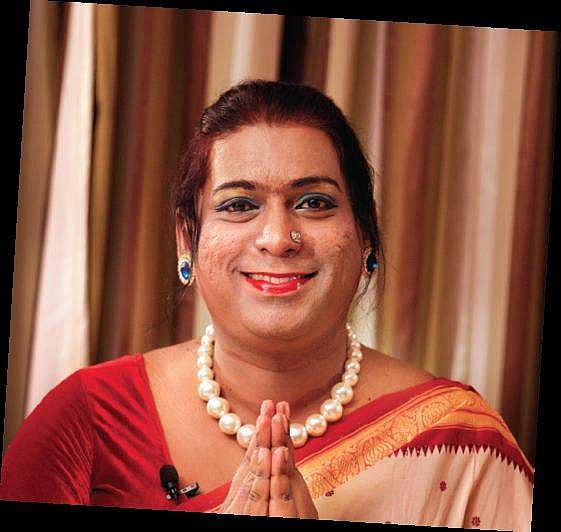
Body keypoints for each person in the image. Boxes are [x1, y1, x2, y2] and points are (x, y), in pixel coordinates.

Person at [1, 80, 533, 529]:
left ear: (365, 235)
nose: (278, 238)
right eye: (239, 205)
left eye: (314, 202)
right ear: (188, 239)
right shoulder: (88, 422)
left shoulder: (461, 445)